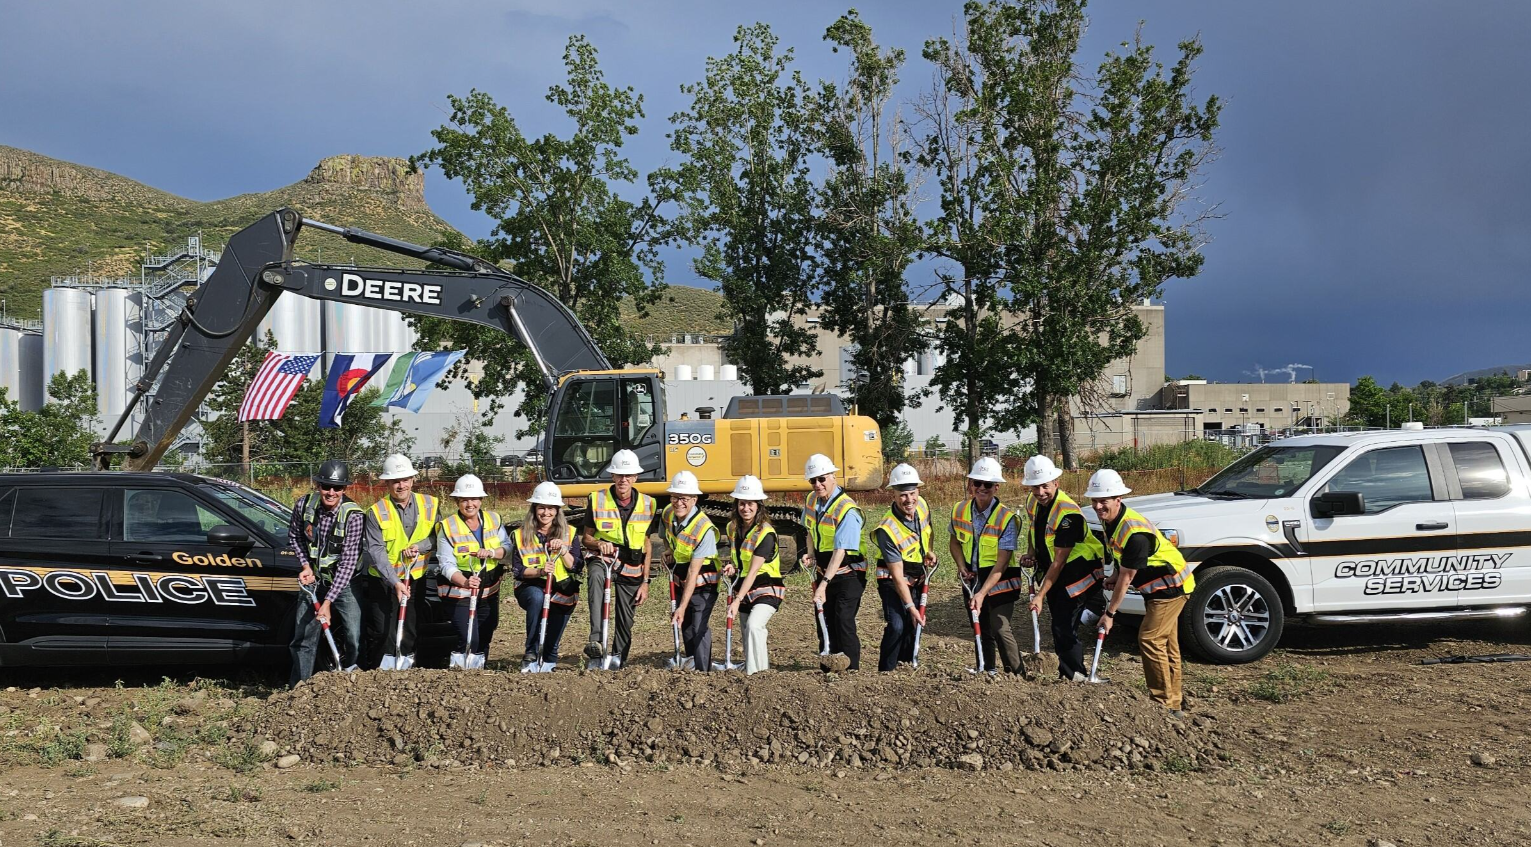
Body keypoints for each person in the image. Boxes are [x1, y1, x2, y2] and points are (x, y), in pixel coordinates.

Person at [1088, 468, 1196, 715]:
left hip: (1170, 589)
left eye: (1103, 500)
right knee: (1167, 643)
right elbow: (1123, 562)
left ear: (1118, 499)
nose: (1098, 506)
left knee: (1150, 639)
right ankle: (1174, 701)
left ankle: (1162, 704)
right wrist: (1114, 575)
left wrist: (1110, 614)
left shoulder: (1134, 532)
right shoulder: (1112, 521)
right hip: (1159, 589)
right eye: (1094, 500)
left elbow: (1128, 577)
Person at [1024, 455, 1107, 681]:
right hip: (1056, 572)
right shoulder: (1034, 502)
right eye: (1035, 487)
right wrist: (1032, 553)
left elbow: (1059, 560)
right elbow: (1035, 529)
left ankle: (1074, 674)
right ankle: (1072, 668)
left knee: (1063, 625)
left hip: (1077, 571)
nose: (1040, 492)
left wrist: (1040, 595)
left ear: (1056, 484)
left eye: (1045, 486)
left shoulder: (1067, 513)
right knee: (1061, 621)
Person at [288, 460, 366, 686]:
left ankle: (353, 684)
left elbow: (348, 562)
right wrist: (305, 566)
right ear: (318, 485)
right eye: (325, 486)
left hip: (345, 584)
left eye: (337, 488)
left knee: (353, 636)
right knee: (303, 637)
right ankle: (300, 689)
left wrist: (328, 602)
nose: (331, 492)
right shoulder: (304, 505)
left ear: (345, 489)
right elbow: (296, 536)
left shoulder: (354, 516)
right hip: (313, 582)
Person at [361, 453, 441, 669]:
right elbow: (376, 550)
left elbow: (438, 536)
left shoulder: (430, 504)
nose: (401, 485)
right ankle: (382, 671)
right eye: (396, 481)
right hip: (385, 582)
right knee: (383, 630)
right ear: (387, 483)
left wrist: (421, 547)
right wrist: (395, 581)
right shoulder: (376, 512)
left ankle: (408, 667)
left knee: (411, 627)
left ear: (413, 480)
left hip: (415, 577)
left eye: (405, 479)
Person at [581, 449, 658, 668]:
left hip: (632, 564)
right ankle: (596, 641)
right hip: (604, 558)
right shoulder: (597, 499)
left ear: (635, 477)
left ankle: (618, 658)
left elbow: (646, 543)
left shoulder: (648, 504)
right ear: (612, 476)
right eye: (619, 475)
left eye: (628, 475)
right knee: (595, 577)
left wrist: (645, 582)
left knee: (626, 618)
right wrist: (599, 544)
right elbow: (586, 538)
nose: (623, 480)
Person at [950, 457, 1024, 673]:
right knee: (980, 627)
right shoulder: (959, 509)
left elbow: (1001, 563)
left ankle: (1016, 673)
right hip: (972, 578)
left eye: (988, 484)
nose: (982, 488)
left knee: (999, 626)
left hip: (1000, 580)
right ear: (970, 484)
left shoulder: (1006, 518)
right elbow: (954, 542)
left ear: (996, 487)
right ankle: (986, 669)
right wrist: (961, 566)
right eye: (977, 483)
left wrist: (982, 593)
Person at [434, 474, 509, 668]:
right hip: (459, 593)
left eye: (474, 499)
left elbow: (508, 549)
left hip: (489, 590)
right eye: (464, 499)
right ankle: (460, 672)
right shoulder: (448, 527)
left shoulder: (494, 519)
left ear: (481, 500)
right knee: (469, 637)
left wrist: (492, 552)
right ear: (457, 501)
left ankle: (478, 674)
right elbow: (446, 563)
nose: (470, 504)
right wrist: (464, 582)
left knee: (486, 633)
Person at [799, 454, 866, 671]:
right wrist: (810, 553)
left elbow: (840, 549)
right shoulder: (811, 500)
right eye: (813, 481)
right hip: (824, 570)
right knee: (824, 620)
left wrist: (823, 585)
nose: (817, 485)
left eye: (822, 479)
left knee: (843, 620)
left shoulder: (847, 509)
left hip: (849, 573)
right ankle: (829, 667)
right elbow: (809, 530)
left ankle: (851, 670)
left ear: (833, 477)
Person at [507, 481, 582, 669]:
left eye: (550, 508)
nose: (546, 513)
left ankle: (549, 661)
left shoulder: (569, 533)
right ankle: (531, 652)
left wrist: (564, 551)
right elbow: (518, 570)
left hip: (563, 588)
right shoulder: (520, 534)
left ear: (557, 510)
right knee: (536, 597)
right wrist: (541, 571)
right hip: (530, 586)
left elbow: (577, 567)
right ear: (534, 509)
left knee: (554, 633)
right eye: (541, 508)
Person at [873, 463, 934, 672]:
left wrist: (929, 551)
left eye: (912, 493)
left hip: (917, 576)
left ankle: (906, 666)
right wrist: (911, 607)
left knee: (912, 625)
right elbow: (897, 576)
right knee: (898, 624)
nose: (909, 500)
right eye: (903, 495)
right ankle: (886, 670)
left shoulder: (923, 505)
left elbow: (928, 530)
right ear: (894, 495)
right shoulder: (886, 529)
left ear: (918, 491)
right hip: (892, 580)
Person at [662, 470, 724, 671]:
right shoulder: (668, 513)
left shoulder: (703, 528)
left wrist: (681, 606)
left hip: (704, 584)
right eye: (674, 497)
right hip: (683, 581)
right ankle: (691, 664)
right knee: (687, 626)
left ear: (694, 499)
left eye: (684, 498)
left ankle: (703, 670)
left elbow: (693, 571)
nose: (678, 502)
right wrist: (669, 549)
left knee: (698, 626)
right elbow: (666, 534)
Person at [725, 476, 782, 675]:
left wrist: (737, 599)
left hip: (767, 587)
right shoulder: (733, 528)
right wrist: (732, 566)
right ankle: (753, 670)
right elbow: (740, 560)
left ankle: (759, 675)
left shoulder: (765, 534)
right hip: (744, 586)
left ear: (758, 506)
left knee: (754, 625)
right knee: (746, 631)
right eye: (742, 503)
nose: (745, 508)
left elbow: (753, 570)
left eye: (750, 504)